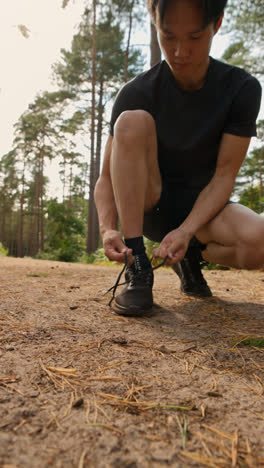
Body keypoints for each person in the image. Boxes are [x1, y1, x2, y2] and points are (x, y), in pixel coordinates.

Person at [94, 0, 263, 316]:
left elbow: (225, 176)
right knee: (131, 121)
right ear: (155, 24)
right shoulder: (136, 92)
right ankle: (138, 268)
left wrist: (187, 231)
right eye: (168, 36)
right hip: (150, 205)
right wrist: (107, 228)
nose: (180, 51)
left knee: (260, 240)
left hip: (205, 213)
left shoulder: (242, 89)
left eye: (194, 37)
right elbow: (106, 178)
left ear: (217, 24)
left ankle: (191, 259)